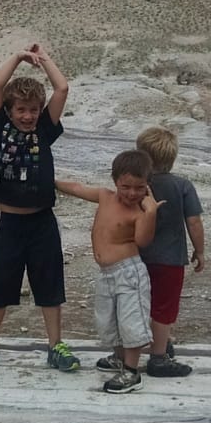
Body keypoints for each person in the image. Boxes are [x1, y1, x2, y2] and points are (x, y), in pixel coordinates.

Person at [0, 44, 81, 375]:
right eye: (22, 110)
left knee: (49, 286)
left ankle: (55, 346)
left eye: (33, 109)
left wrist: (44, 60)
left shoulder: (45, 129)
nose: (28, 116)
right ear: (10, 109)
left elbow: (62, 88)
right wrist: (17, 57)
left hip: (43, 223)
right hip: (10, 225)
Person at [55, 150, 163, 393]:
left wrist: (152, 213)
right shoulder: (105, 197)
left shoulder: (140, 212)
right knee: (108, 320)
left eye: (139, 188)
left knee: (130, 320)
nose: (132, 193)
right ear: (115, 181)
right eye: (126, 187)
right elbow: (77, 188)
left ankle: (132, 372)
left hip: (129, 273)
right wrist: (51, 182)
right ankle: (119, 357)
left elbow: (143, 241)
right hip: (106, 273)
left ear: (147, 185)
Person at [130, 126, 205, 377]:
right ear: (172, 157)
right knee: (163, 308)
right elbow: (193, 221)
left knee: (137, 304)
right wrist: (200, 250)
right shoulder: (183, 185)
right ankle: (159, 357)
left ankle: (125, 352)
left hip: (136, 255)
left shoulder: (136, 186)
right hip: (170, 260)